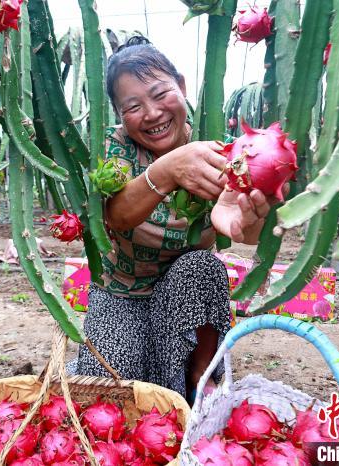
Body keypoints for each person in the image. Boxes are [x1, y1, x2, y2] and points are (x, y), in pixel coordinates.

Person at [75, 36, 282, 402]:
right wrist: (167, 170)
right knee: (108, 397)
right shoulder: (114, 147)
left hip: (185, 297)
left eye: (159, 94)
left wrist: (252, 221)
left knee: (203, 267)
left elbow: (248, 232)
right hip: (121, 291)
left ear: (182, 86)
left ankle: (201, 380)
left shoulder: (220, 150)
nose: (152, 113)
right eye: (133, 106)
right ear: (119, 115)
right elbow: (116, 217)